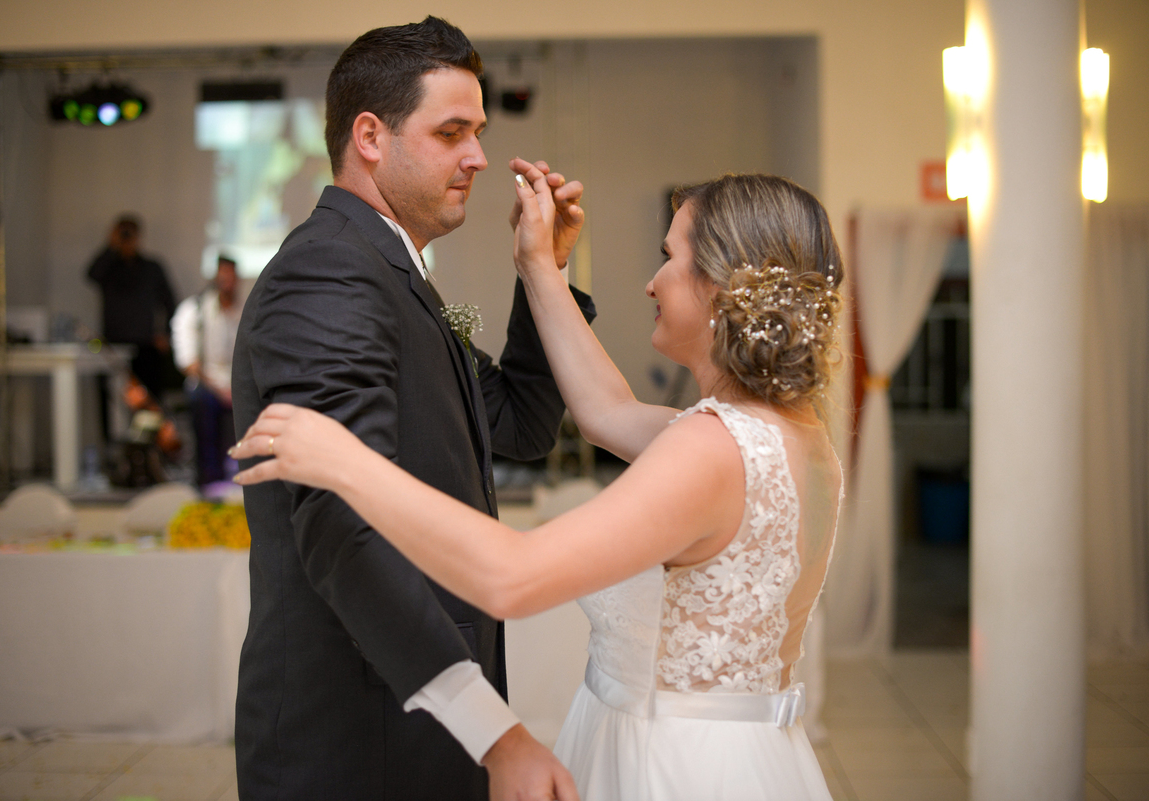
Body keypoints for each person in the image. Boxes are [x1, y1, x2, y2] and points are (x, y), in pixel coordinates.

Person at [232, 167, 845, 801]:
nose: (651, 281)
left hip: (675, 765)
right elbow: (604, 411)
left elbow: (513, 576)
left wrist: (346, 462)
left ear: (721, 286)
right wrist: (539, 266)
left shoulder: (709, 449)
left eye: (669, 256)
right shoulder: (792, 435)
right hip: (741, 751)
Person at [229, 17, 593, 801]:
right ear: (370, 135)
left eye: (480, 131)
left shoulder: (400, 275)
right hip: (360, 735)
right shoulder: (330, 272)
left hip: (415, 722)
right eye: (452, 131)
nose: (480, 157)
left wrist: (544, 271)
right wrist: (492, 729)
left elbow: (519, 423)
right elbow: (340, 524)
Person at [86, 215, 177, 403]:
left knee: (149, 402)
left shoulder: (152, 268)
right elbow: (91, 275)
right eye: (122, 232)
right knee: (112, 403)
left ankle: (150, 433)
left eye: (129, 233)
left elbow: (170, 302)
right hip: (113, 344)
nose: (126, 238)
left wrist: (166, 333)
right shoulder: (109, 267)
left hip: (145, 345)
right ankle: (112, 435)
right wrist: (111, 246)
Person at [171, 255, 242, 486]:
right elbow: (189, 363)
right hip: (207, 384)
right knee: (203, 402)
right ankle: (210, 479)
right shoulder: (195, 311)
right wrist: (220, 390)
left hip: (238, 383)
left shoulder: (243, 311)